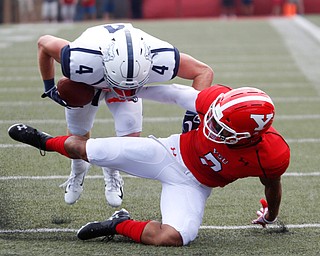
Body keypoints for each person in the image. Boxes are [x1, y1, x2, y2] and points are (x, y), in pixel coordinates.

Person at [8, 83, 290, 246]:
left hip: (194, 185)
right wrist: (136, 89)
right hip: (168, 152)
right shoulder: (218, 100)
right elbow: (177, 94)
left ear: (251, 135)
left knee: (173, 236)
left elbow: (272, 186)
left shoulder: (272, 154)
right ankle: (43, 141)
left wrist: (271, 216)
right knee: (84, 149)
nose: (211, 126)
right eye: (213, 118)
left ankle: (119, 224)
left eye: (222, 128)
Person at [37, 23, 213, 207]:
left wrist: (193, 114)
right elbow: (44, 43)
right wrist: (49, 88)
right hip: (90, 81)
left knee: (130, 134)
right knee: (76, 133)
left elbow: (203, 71)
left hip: (122, 76)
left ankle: (112, 171)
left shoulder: (161, 57)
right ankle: (78, 169)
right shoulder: (81, 58)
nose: (124, 93)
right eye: (122, 87)